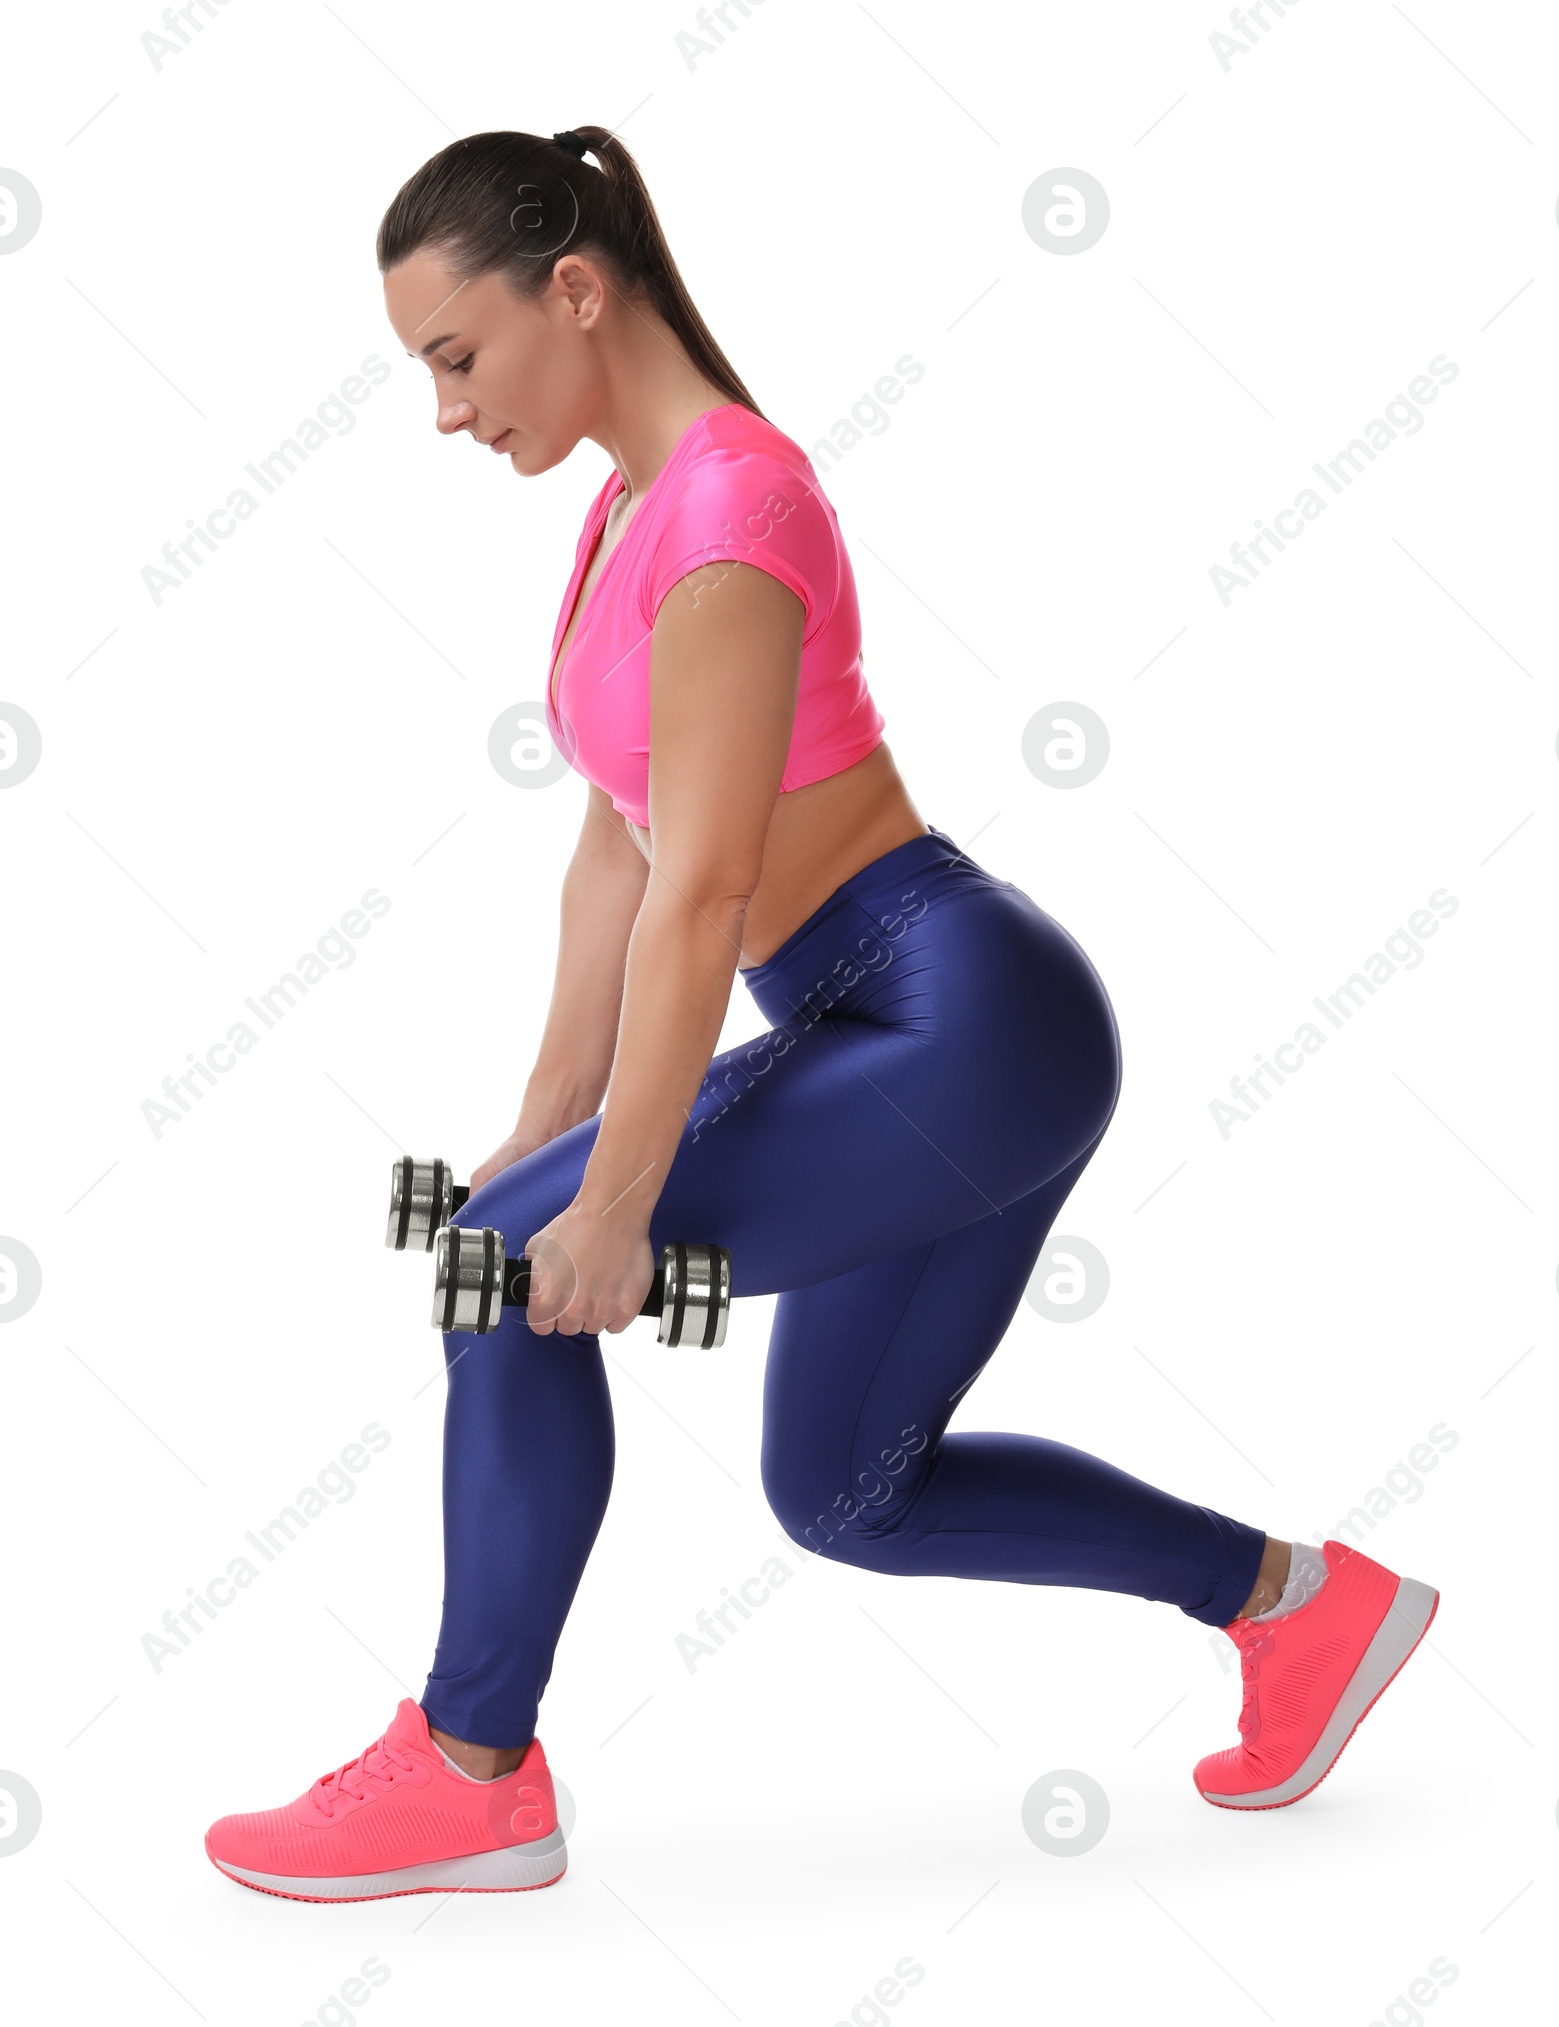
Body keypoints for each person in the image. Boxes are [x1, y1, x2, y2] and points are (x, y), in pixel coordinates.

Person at [204, 127, 1438, 1902]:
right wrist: (545, 1139)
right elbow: (616, 871)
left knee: (500, 1284)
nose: (448, 413)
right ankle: (1303, 1608)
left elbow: (708, 891)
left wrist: (608, 1207)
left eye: (455, 358)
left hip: (948, 1015)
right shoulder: (630, 513)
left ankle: (472, 1766)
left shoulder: (730, 500)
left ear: (574, 286)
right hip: (910, 1036)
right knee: (850, 1493)